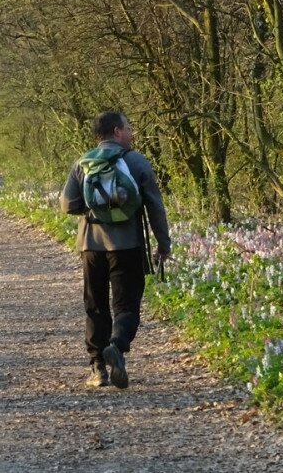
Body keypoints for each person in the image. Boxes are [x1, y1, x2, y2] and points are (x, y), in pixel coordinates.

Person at [59, 110, 171, 389]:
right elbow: (155, 207)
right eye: (128, 127)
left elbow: (67, 205)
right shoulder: (135, 161)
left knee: (95, 306)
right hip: (128, 246)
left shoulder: (82, 164)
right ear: (117, 131)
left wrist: (95, 207)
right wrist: (163, 243)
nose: (132, 132)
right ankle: (117, 347)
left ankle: (98, 368)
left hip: (90, 246)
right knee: (127, 305)